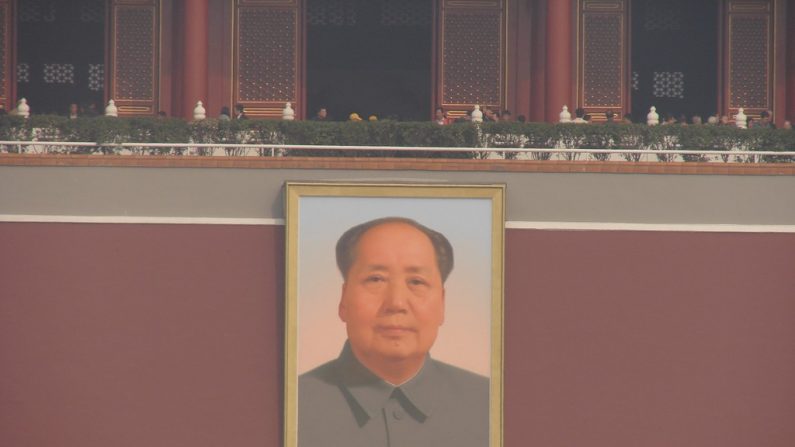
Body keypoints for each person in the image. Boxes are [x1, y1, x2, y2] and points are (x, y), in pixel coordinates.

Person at [298, 217, 489, 447]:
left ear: (442, 303)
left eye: (416, 282)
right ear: (343, 301)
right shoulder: (293, 403)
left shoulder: (489, 403)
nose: (396, 302)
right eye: (376, 279)